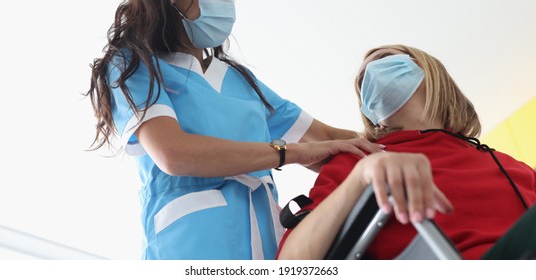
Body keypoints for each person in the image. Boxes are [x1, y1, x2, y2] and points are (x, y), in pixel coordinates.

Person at [277, 44, 536, 260]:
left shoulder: (510, 166)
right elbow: (292, 264)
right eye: (363, 80)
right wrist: (361, 176)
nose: (371, 72)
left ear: (430, 72)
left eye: (388, 60)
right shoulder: (359, 162)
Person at [85, 0, 381, 260]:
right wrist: (291, 154)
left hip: (263, 247)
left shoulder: (240, 81)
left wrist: (408, 139)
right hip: (189, 245)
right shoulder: (134, 64)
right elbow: (174, 153)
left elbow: (328, 140)